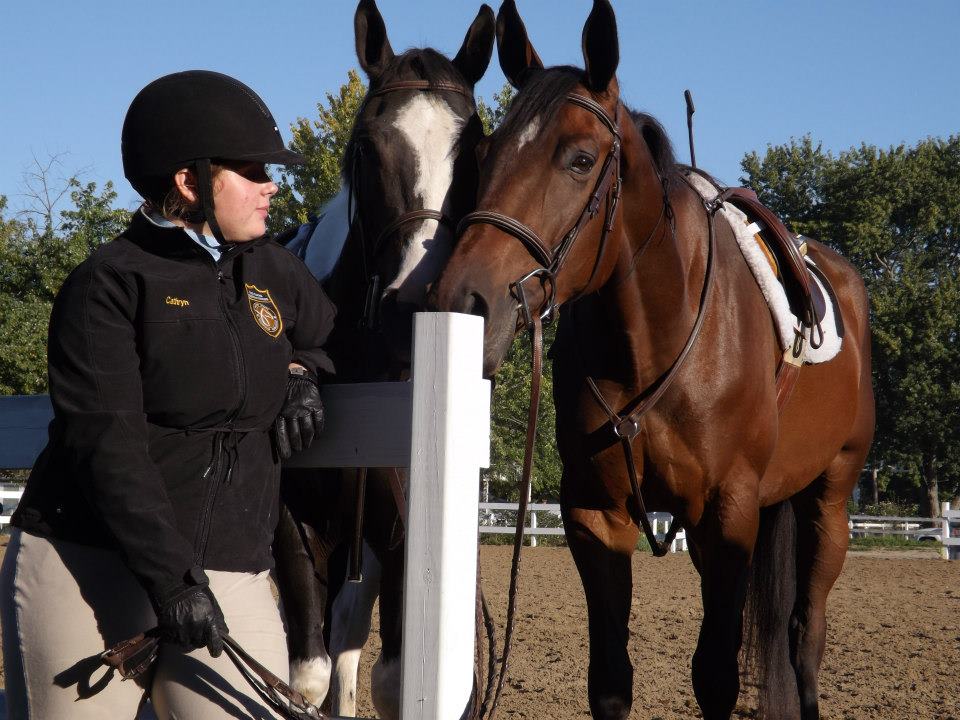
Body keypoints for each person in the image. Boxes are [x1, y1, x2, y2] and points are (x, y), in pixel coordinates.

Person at [0, 70, 333, 719]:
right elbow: (109, 447)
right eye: (253, 170)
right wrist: (173, 583)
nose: (272, 185)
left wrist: (302, 374)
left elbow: (331, 337)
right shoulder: (108, 287)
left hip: (230, 567)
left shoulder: (276, 272)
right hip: (89, 565)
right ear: (190, 182)